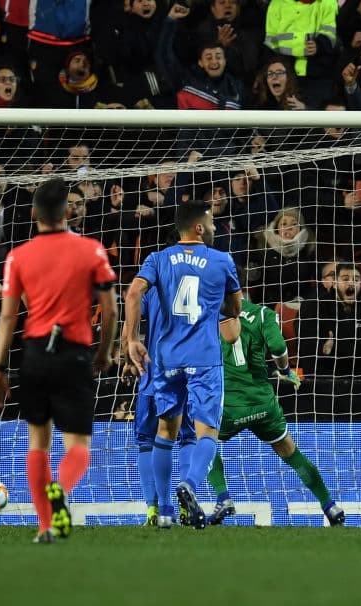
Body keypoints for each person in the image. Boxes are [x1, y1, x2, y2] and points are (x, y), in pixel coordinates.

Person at [0, 178, 119, 544]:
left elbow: (8, 317)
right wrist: (104, 352)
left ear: (34, 215)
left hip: (33, 355)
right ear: (67, 211)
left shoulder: (18, 255)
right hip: (74, 353)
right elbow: (110, 310)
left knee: (38, 443)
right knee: (77, 444)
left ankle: (45, 526)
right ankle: (61, 489)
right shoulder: (92, 251)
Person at [124, 199, 243, 530]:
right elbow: (234, 309)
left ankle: (163, 511)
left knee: (165, 431)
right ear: (200, 227)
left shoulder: (157, 259)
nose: (217, 228)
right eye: (213, 223)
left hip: (165, 358)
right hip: (203, 357)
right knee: (207, 432)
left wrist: (131, 339)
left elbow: (133, 295)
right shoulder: (221, 260)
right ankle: (189, 483)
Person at [205, 296, 344, 527]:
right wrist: (286, 370)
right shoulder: (263, 314)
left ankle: (223, 497)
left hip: (228, 406)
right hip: (263, 405)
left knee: (202, 439)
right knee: (292, 453)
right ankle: (329, 505)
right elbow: (279, 347)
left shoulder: (207, 316)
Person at [131, 288, 197, 528]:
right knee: (188, 437)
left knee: (147, 441)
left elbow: (133, 303)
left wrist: (130, 340)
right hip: (189, 375)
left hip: (153, 375)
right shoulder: (202, 280)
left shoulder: (154, 283)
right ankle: (186, 502)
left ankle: (153, 508)